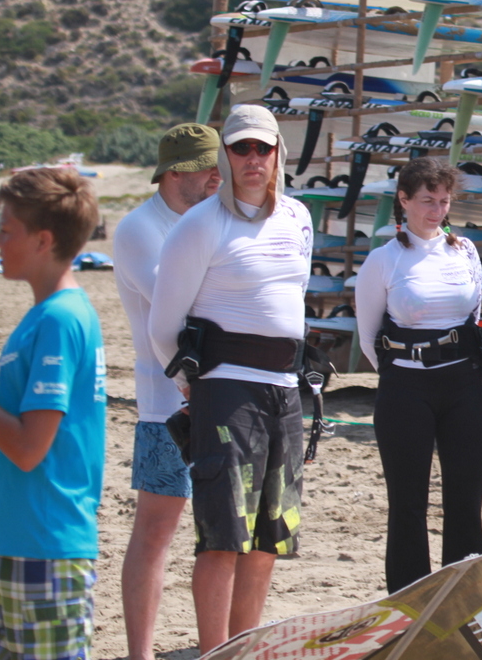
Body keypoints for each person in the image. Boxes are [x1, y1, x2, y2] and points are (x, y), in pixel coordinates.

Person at [149, 105, 312, 654]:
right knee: (222, 537)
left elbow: (294, 294)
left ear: (278, 153)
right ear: (225, 155)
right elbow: (163, 326)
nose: (252, 158)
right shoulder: (200, 225)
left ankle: (245, 648)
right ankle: (214, 652)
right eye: (240, 147)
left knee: (270, 537)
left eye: (262, 147)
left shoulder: (298, 217)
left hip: (285, 388)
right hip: (226, 386)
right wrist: (194, 388)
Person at [355, 157, 482, 593]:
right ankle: (409, 597)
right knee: (408, 500)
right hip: (406, 385)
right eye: (428, 200)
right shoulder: (383, 259)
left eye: (444, 201)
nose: (437, 210)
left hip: (463, 383)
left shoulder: (465, 251)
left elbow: (472, 314)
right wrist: (403, 373)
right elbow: (368, 337)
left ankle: (462, 595)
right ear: (404, 200)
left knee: (466, 496)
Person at [114, 123, 221, 660]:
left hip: (220, 397)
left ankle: (217, 645)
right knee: (155, 533)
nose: (218, 178)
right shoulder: (139, 227)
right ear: (177, 172)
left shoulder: (205, 221)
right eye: (209, 168)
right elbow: (178, 304)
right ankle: (140, 654)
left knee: (223, 532)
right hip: (164, 406)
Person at [0, 168, 106, 660]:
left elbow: (28, 447)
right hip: (19, 539)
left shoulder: (60, 318)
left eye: (6, 229)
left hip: (43, 544)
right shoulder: (44, 316)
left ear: (43, 240)